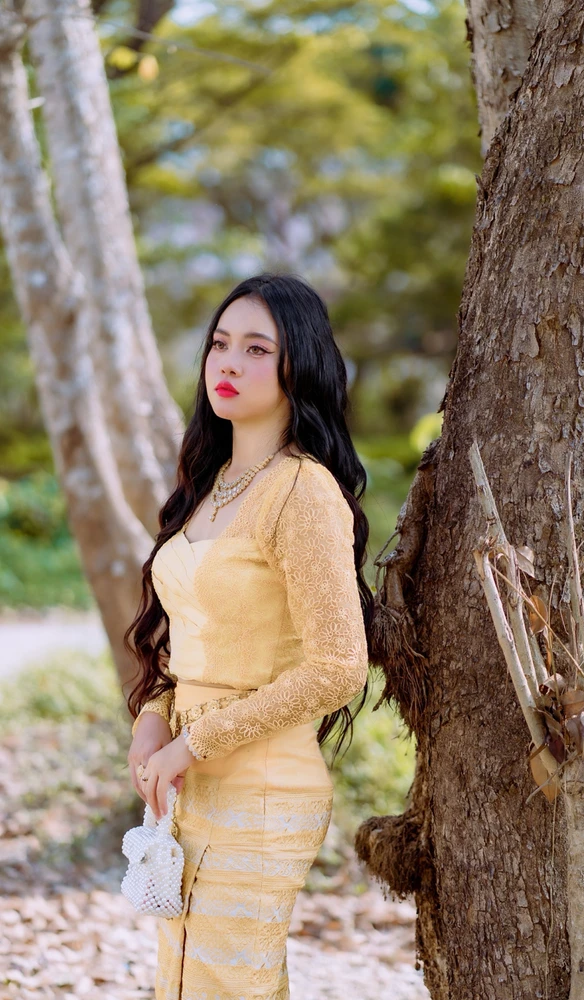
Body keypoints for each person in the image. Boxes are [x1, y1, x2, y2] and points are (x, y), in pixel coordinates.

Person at [124, 271, 374, 1000]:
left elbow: (339, 666)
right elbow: (195, 643)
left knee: (228, 985)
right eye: (219, 344)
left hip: (263, 790)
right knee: (183, 981)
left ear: (300, 365)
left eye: (257, 349)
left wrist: (193, 743)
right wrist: (152, 721)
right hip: (184, 782)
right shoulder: (207, 486)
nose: (228, 363)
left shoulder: (303, 491)